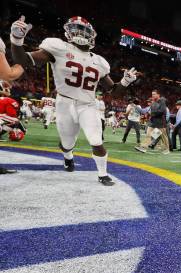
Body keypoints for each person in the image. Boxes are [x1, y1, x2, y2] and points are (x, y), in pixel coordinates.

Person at [11, 15, 139, 186]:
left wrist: (125, 82)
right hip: (64, 103)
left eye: (84, 30)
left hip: (87, 105)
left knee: (96, 140)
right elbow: (23, 60)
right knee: (67, 143)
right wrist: (17, 40)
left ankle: (103, 174)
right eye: (76, 29)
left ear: (92, 35)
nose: (80, 33)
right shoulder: (58, 47)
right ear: (68, 31)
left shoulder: (99, 61)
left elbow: (114, 91)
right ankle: (68, 156)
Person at [0, 80, 26, 174]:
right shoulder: (13, 101)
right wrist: (22, 130)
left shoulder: (4, 99)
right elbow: (14, 119)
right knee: (14, 121)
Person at [135, 90, 170, 154]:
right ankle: (143, 147)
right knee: (149, 135)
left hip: (160, 123)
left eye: (154, 94)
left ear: (158, 95)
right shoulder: (153, 103)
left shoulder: (162, 101)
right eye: (152, 94)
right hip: (153, 122)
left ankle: (167, 149)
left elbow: (162, 111)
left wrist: (153, 114)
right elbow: (146, 111)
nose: (152, 95)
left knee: (163, 137)